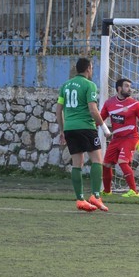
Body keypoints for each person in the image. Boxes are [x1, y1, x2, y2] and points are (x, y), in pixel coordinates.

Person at [56, 57, 111, 212]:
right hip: (86, 127)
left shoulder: (65, 86)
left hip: (69, 128)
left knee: (77, 164)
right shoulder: (89, 85)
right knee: (97, 160)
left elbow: (58, 110)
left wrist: (62, 130)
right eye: (91, 68)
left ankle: (80, 199)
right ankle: (95, 195)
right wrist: (104, 128)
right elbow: (93, 110)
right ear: (88, 69)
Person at [100, 78, 139, 198]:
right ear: (119, 88)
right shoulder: (109, 103)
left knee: (123, 162)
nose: (129, 89)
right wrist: (92, 127)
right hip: (116, 139)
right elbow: (100, 119)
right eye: (127, 86)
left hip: (131, 138)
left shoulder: (135, 104)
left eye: (130, 86)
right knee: (106, 164)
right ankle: (107, 191)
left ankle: (134, 191)